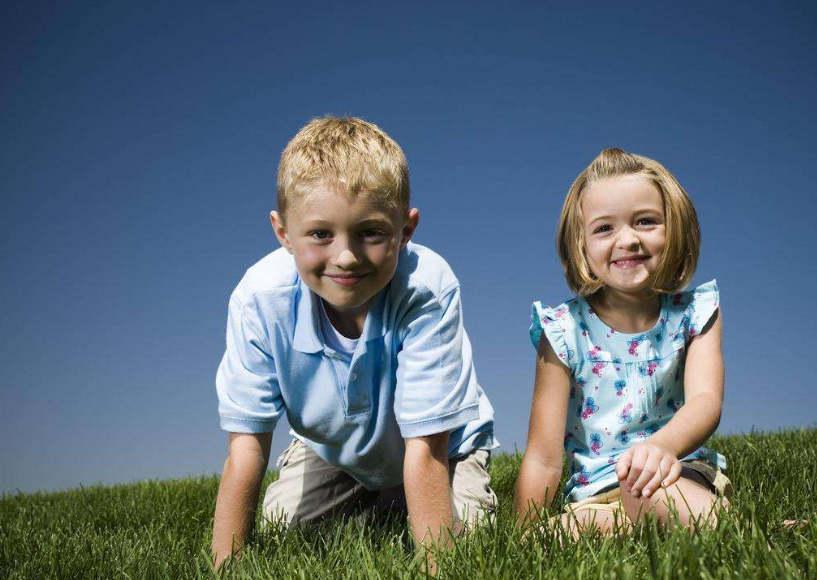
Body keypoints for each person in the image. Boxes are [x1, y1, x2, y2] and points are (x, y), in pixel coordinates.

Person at [211, 116, 497, 567]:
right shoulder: (259, 301)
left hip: (442, 446)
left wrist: (435, 567)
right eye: (321, 234)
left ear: (406, 229)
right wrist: (225, 568)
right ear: (283, 232)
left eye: (371, 232)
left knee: (467, 541)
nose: (346, 256)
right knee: (283, 531)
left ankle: (400, 498)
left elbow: (427, 448)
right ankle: (377, 495)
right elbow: (246, 445)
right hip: (335, 449)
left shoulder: (427, 289)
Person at [514, 148, 731, 537]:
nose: (627, 239)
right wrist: (522, 534)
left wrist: (662, 448)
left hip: (675, 473)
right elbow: (544, 457)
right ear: (580, 245)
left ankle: (738, 535)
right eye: (604, 228)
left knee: (652, 496)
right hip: (595, 495)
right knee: (550, 536)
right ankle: (633, 527)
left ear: (675, 227)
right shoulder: (562, 331)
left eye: (646, 221)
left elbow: (706, 402)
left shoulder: (695, 314)